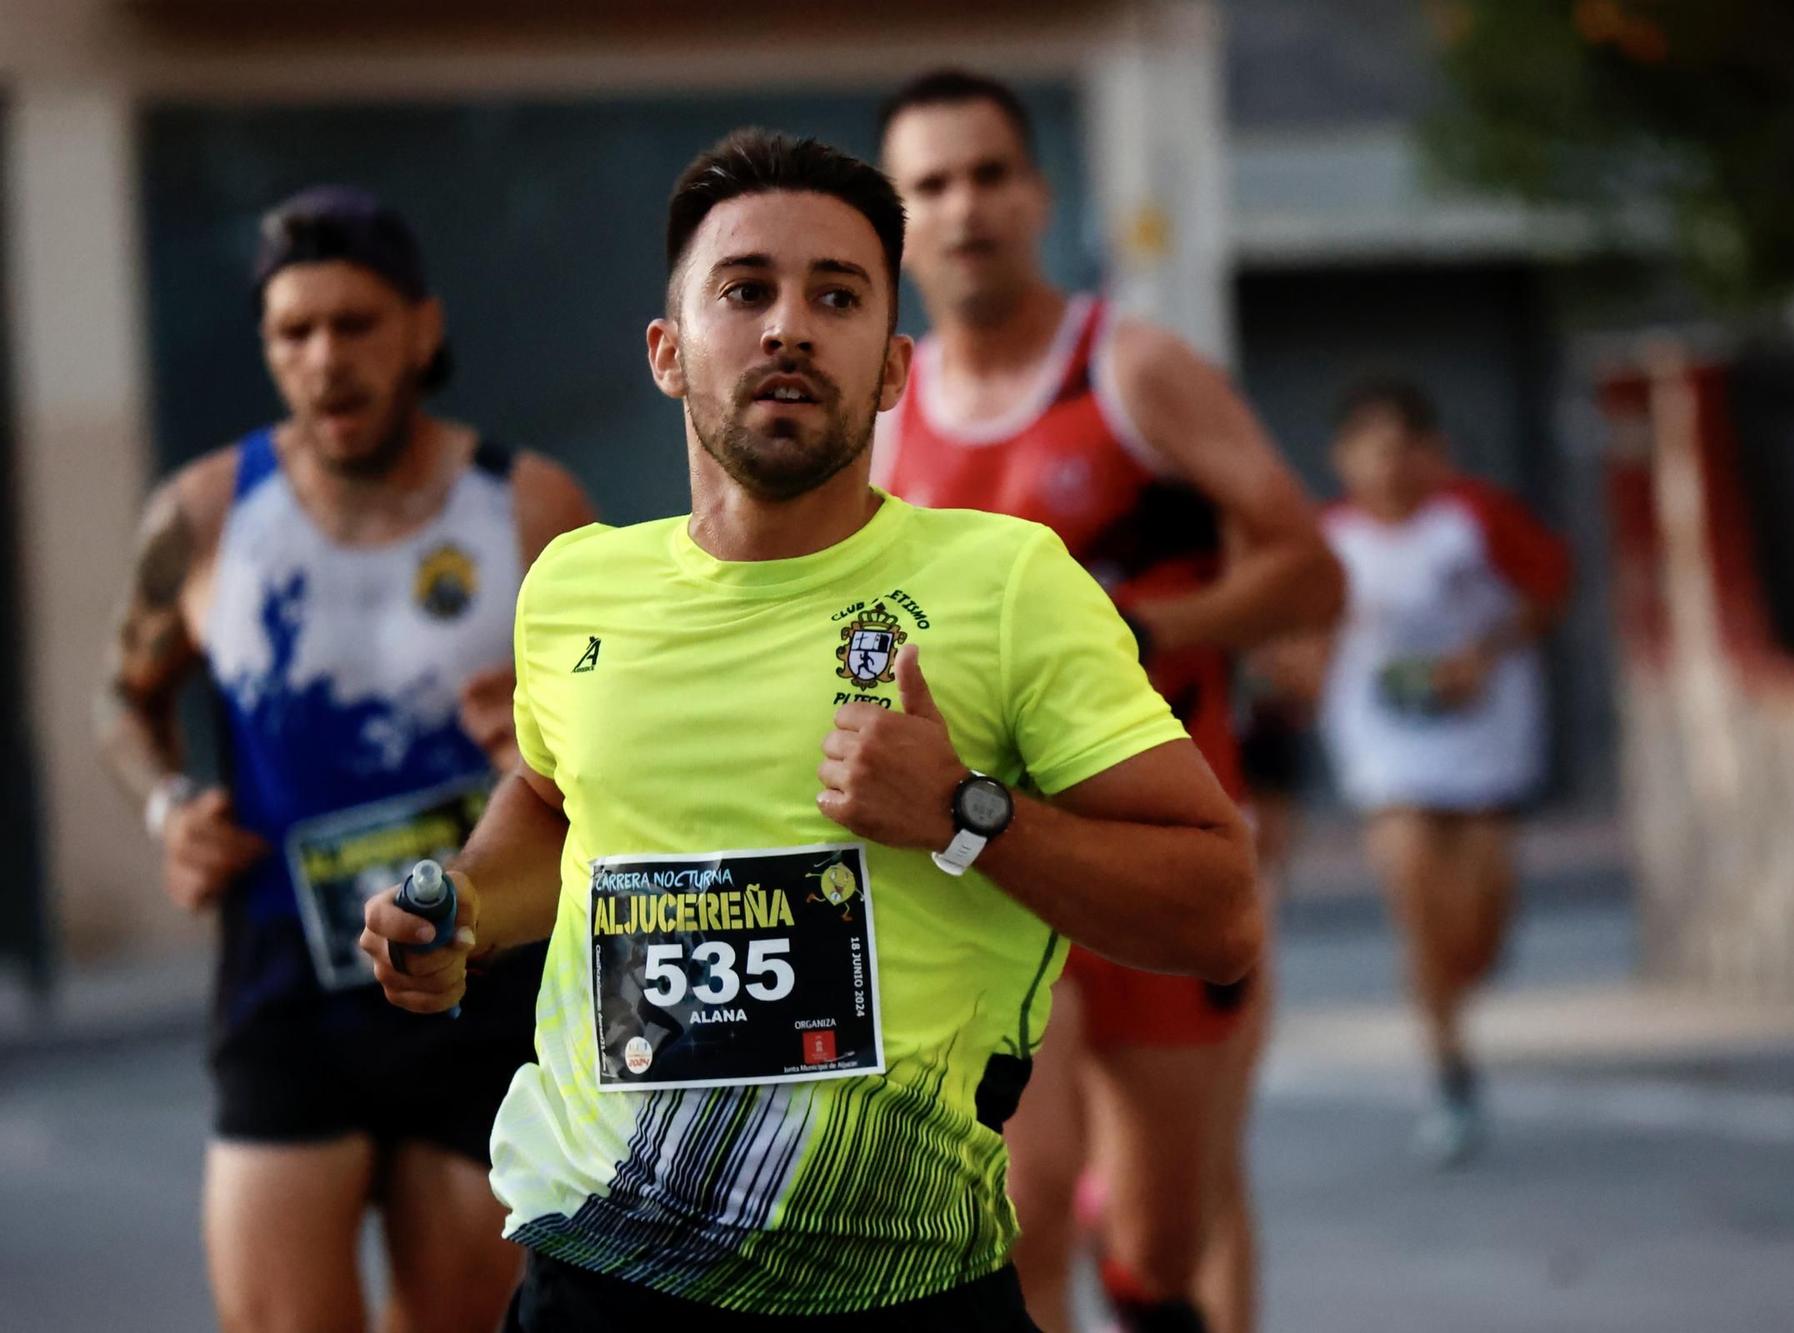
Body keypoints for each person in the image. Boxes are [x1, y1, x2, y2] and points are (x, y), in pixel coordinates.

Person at [357, 129, 1261, 1332]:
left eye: (834, 296)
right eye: (745, 291)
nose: (788, 326)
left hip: (900, 1274)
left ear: (890, 369)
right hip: (604, 1265)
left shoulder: (1002, 583)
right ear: (668, 354)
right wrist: (463, 907)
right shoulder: (576, 585)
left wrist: (963, 814)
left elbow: (1217, 911)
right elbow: (558, 805)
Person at [874, 70, 1341, 1333]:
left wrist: (1144, 627)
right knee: (1014, 1212)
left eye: (985, 175)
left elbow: (1308, 566)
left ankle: (1137, 1256)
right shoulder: (880, 417)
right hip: (978, 858)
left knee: (1162, 1244)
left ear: (1036, 194)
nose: (961, 207)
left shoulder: (1132, 370)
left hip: (1151, 844)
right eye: (928, 185)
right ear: (896, 221)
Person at [96, 186, 594, 1333]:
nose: (325, 358)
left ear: (422, 328)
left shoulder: (529, 506)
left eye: (355, 324)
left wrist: (540, 739)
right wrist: (170, 804)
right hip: (281, 981)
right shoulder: (206, 512)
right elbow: (123, 700)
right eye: (293, 332)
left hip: (473, 971)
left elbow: (612, 736)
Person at [1312, 377, 1570, 1165]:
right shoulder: (1325, 539)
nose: (1390, 467)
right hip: (1385, 744)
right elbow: (1293, 631)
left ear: (1436, 453)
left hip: (1484, 734)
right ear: (1343, 458)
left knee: (1478, 924)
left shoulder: (1475, 517)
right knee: (1413, 881)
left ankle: (1461, 979)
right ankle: (1449, 1067)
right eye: (1373, 450)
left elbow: (1551, 588)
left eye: (1405, 449)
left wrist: (1483, 655)